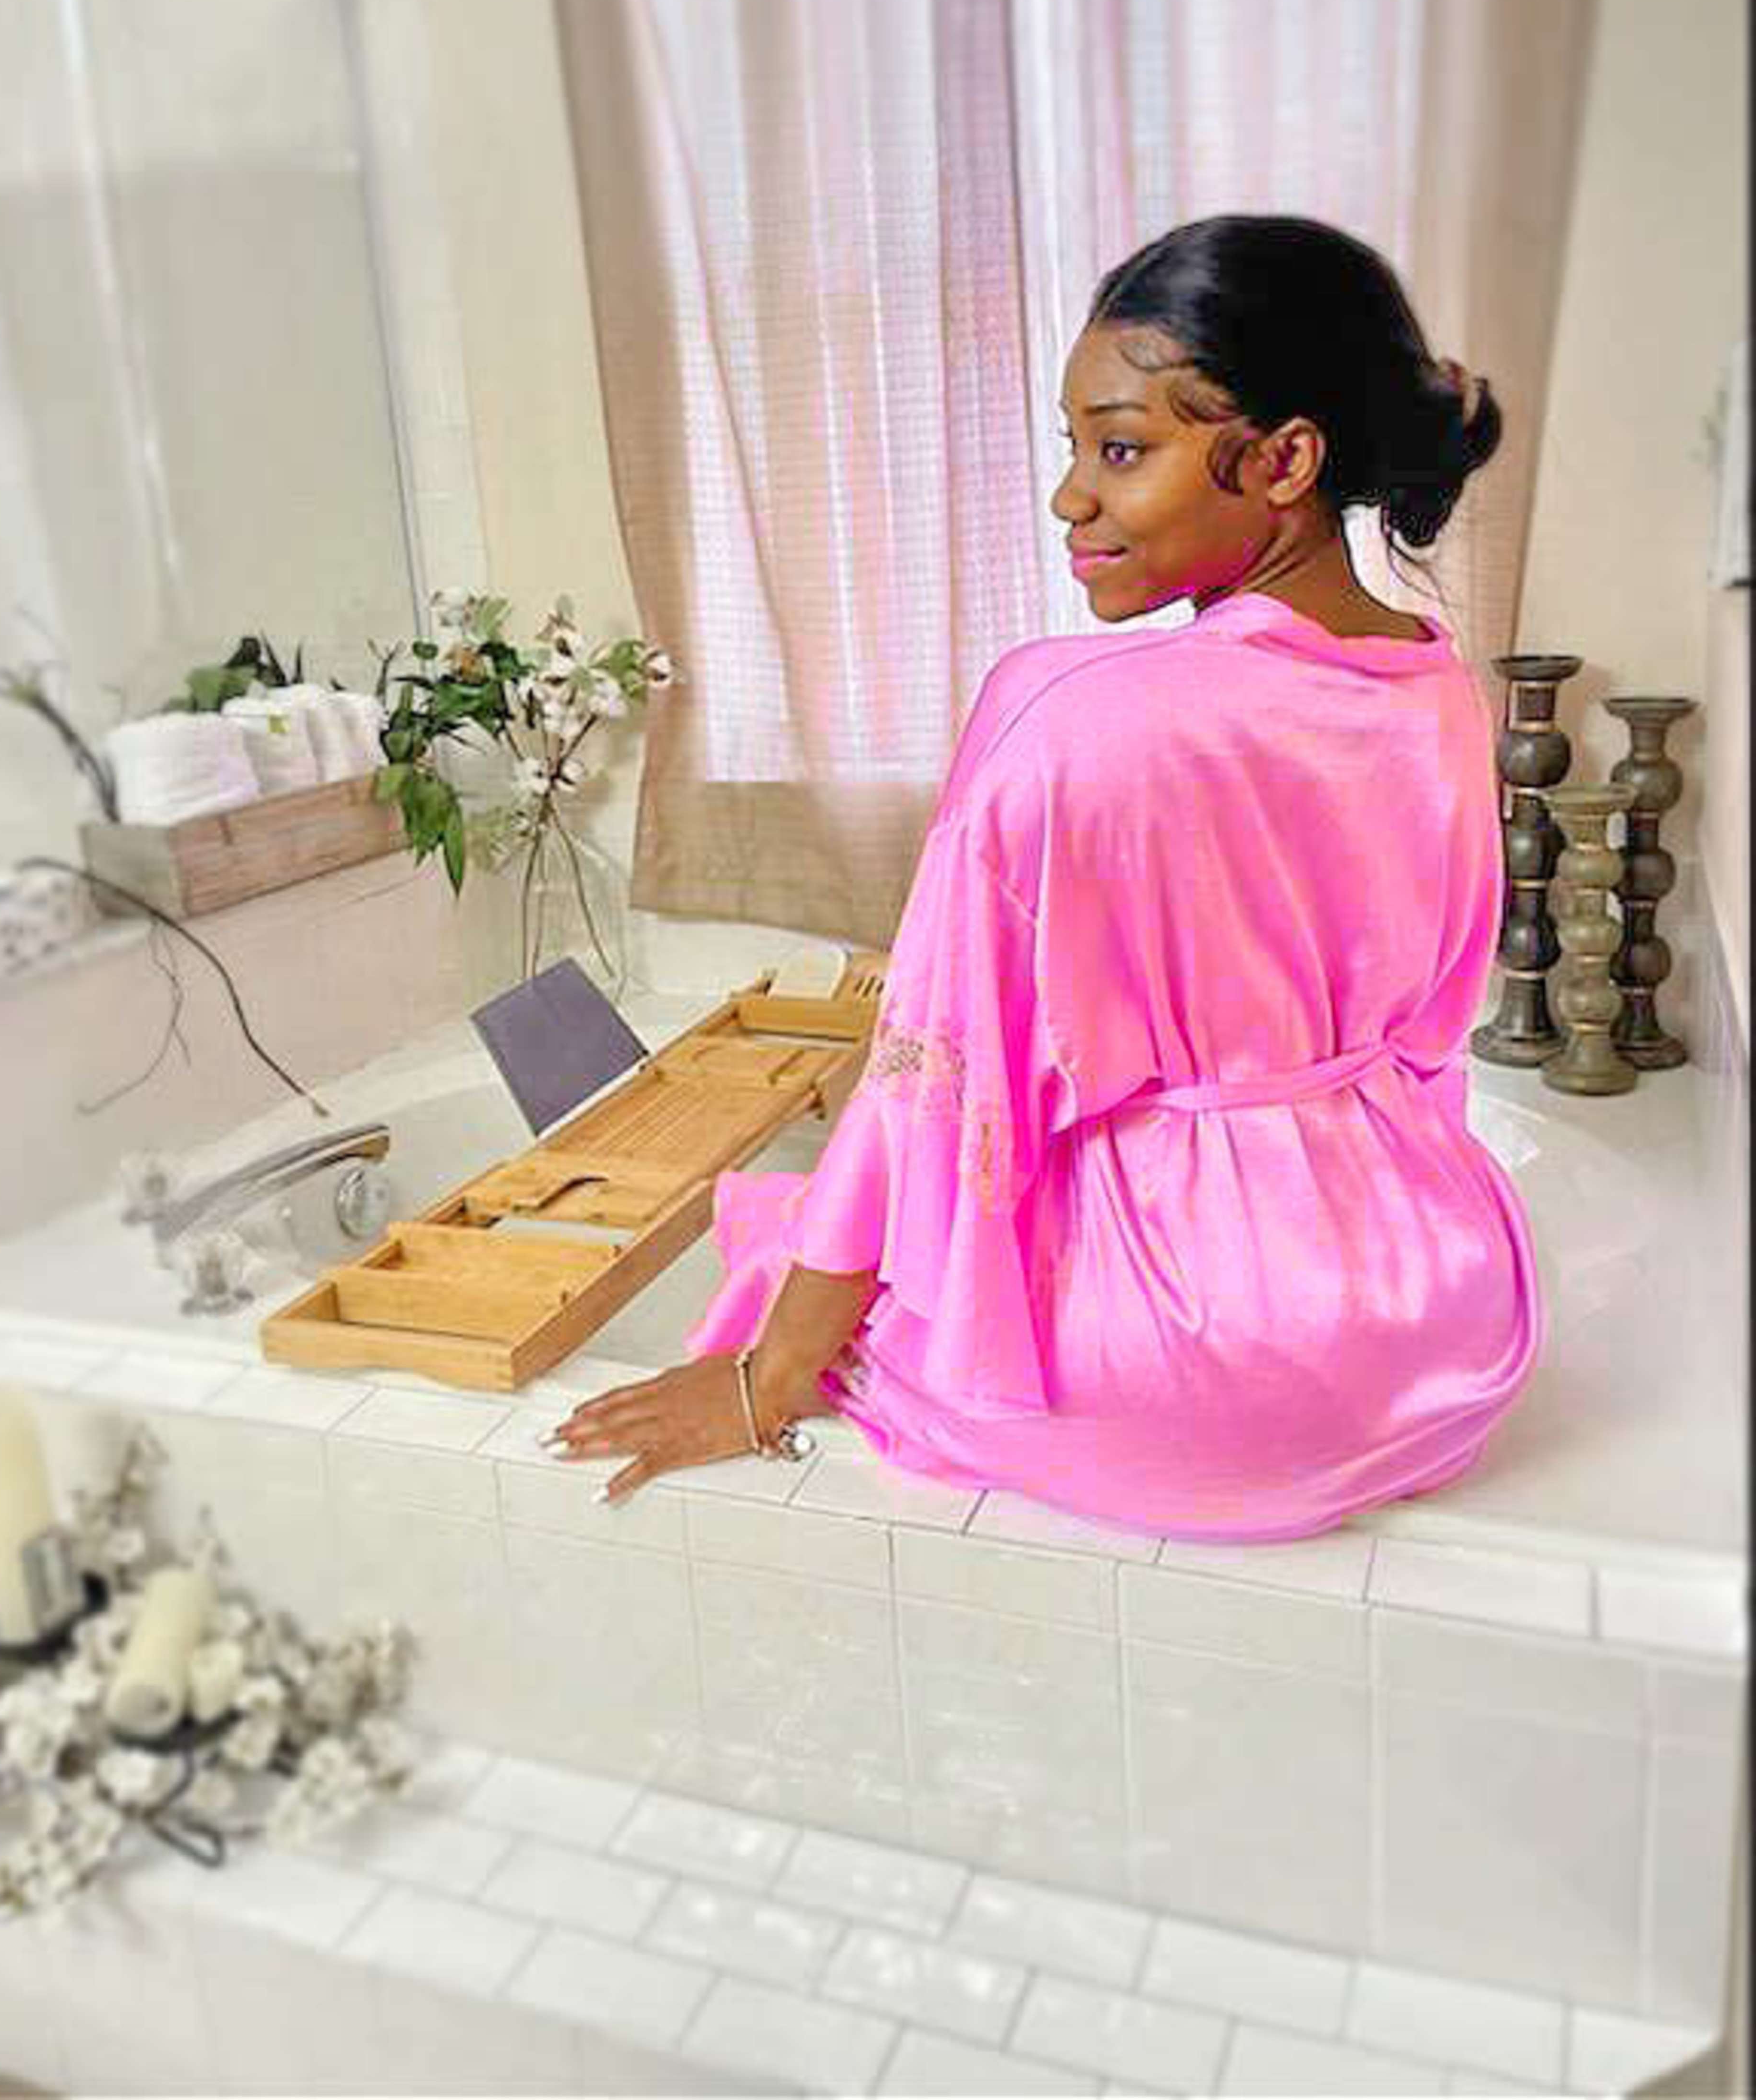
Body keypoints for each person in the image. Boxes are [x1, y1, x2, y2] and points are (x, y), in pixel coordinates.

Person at [545, 213, 1543, 1541]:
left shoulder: (1072, 710)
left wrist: (766, 1378)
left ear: (1288, 459)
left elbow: (937, 1076)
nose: (1072, 497)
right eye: (1071, 448)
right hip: (1437, 1323)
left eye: (1122, 450)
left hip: (1208, 1373)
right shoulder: (1438, 687)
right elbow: (1432, 1041)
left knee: (823, 1253)